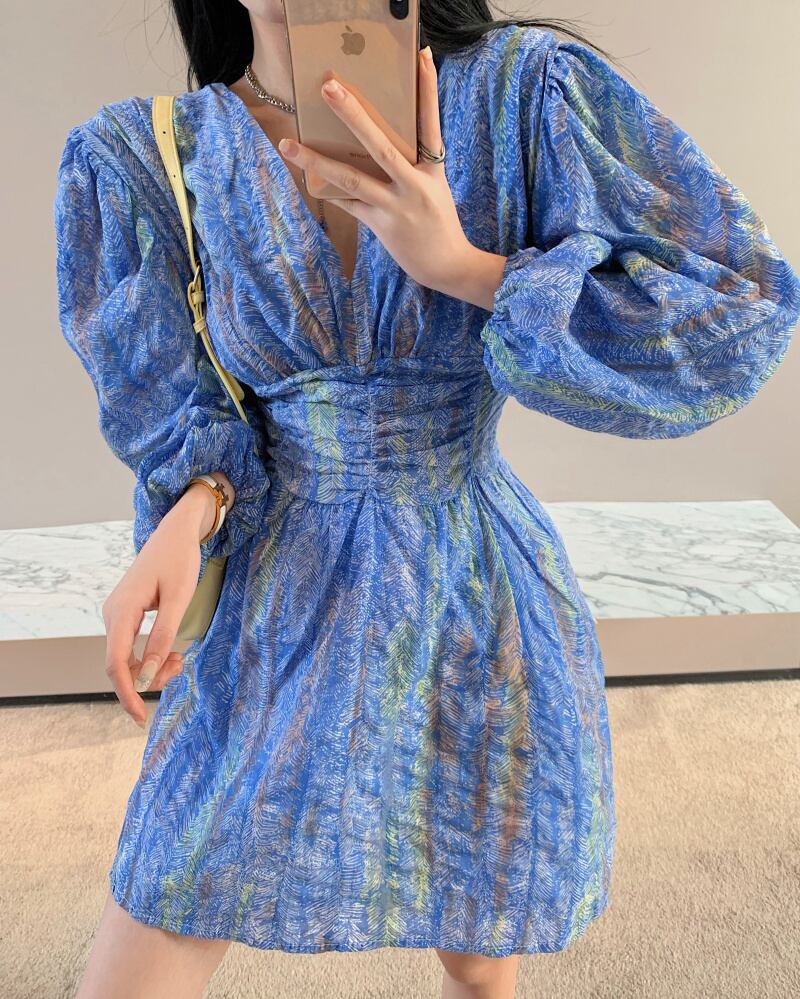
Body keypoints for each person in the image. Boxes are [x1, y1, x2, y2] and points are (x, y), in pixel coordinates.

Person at [53, 2, 800, 997]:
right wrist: (189, 511)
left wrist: (467, 268)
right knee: (165, 899)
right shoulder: (145, 158)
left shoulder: (523, 94)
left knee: (479, 950)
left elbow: (738, 310)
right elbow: (182, 404)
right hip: (276, 595)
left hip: (472, 592)